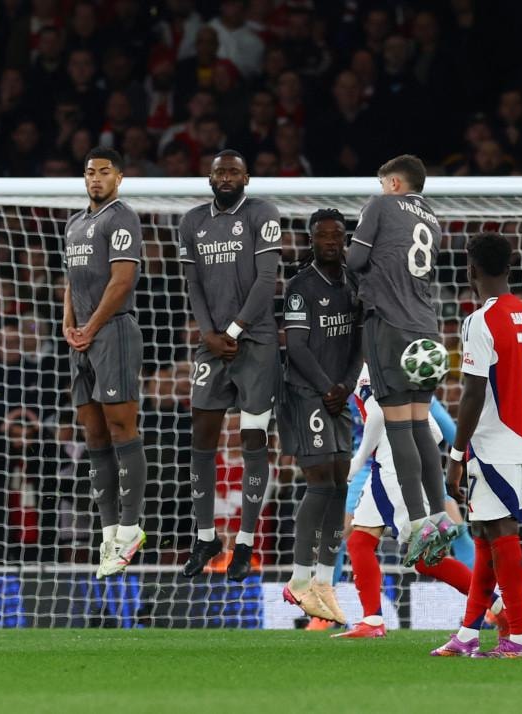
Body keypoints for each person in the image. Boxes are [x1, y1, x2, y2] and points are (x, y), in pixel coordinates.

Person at [432, 232, 522, 658]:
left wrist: (456, 456)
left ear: (471, 269)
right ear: (509, 268)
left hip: (495, 444)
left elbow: (473, 393)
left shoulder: (480, 321)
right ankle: (469, 632)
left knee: (501, 533)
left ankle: (521, 636)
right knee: (483, 534)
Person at [333, 365, 505, 638]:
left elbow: (376, 415)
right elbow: (435, 431)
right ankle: (372, 620)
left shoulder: (365, 370)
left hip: (393, 469)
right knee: (361, 541)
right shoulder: (394, 372)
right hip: (393, 466)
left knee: (422, 556)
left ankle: (498, 606)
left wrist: (359, 459)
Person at [177, 149, 282, 582]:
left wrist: (233, 331)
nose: (225, 177)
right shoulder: (191, 222)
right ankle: (206, 537)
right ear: (209, 177)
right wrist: (208, 333)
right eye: (219, 171)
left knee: (253, 440)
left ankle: (244, 543)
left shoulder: (262, 213)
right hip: (213, 345)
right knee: (202, 437)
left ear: (246, 178)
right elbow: (193, 283)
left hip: (255, 344)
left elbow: (266, 280)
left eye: (233, 172)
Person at [346, 154, 456, 566]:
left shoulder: (381, 205)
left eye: (382, 183)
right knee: (420, 424)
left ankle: (416, 523)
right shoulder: (432, 220)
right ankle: (440, 516)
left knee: (398, 427)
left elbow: (355, 260)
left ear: (394, 183)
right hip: (426, 328)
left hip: (389, 325)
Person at [62, 147, 148, 578]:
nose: (95, 178)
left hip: (113, 331)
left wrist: (91, 326)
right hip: (82, 338)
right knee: (93, 433)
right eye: (90, 172)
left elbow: (122, 280)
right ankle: (109, 532)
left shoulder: (122, 217)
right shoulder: (74, 224)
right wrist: (68, 323)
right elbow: (71, 281)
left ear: (119, 178)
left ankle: (131, 529)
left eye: (104, 172)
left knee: (120, 427)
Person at [277, 209, 362, 623]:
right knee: (320, 480)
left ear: (345, 239)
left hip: (339, 395)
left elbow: (360, 341)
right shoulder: (300, 286)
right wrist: (328, 387)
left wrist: (346, 386)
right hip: (306, 393)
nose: (330, 241)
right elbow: (296, 345)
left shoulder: (354, 283)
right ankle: (298, 580)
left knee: (340, 483)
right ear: (311, 240)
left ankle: (325, 581)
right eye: (323, 235)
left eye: (337, 235)